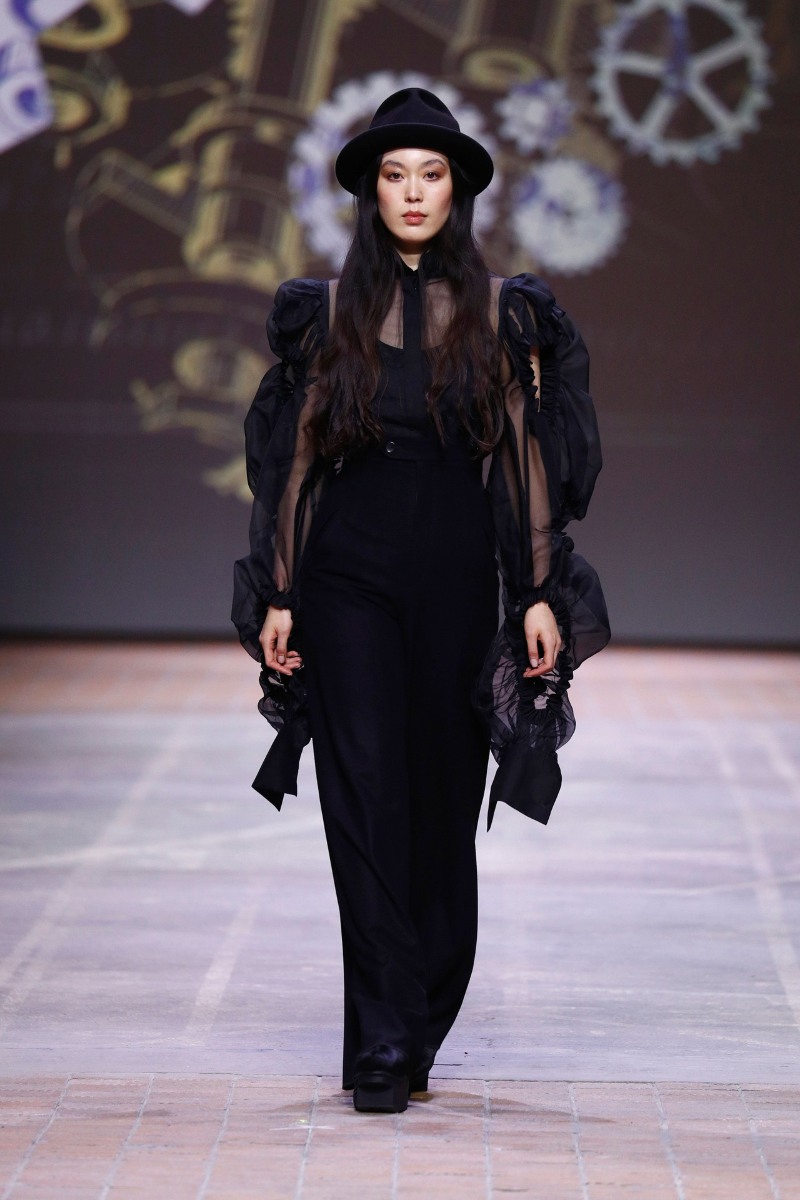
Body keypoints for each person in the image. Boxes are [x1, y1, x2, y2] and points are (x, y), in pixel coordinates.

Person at [232, 88, 610, 1114]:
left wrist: (536, 591)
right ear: (369, 191)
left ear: (456, 192)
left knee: (441, 802)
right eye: (394, 174)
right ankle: (381, 1042)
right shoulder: (325, 312)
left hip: (454, 574)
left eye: (430, 174)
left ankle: (420, 1014)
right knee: (361, 793)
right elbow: (296, 462)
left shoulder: (501, 312)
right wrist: (279, 591)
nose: (411, 191)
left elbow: (522, 458)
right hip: (345, 576)